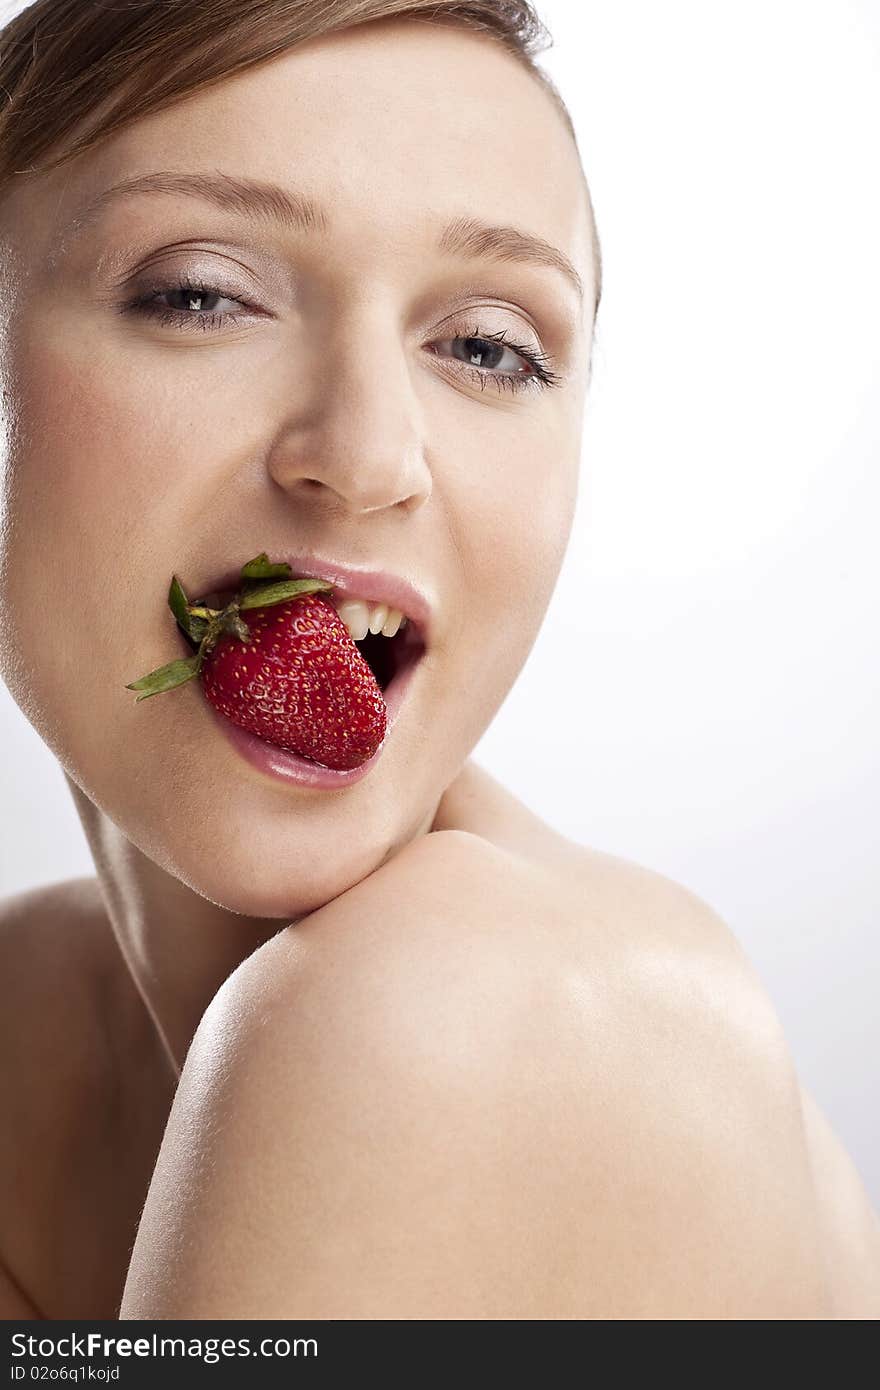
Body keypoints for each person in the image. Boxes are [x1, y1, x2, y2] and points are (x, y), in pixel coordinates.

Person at [0, 0, 876, 1321]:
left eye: (486, 345)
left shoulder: (445, 1012)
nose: (362, 458)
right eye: (200, 294)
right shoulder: (32, 1011)